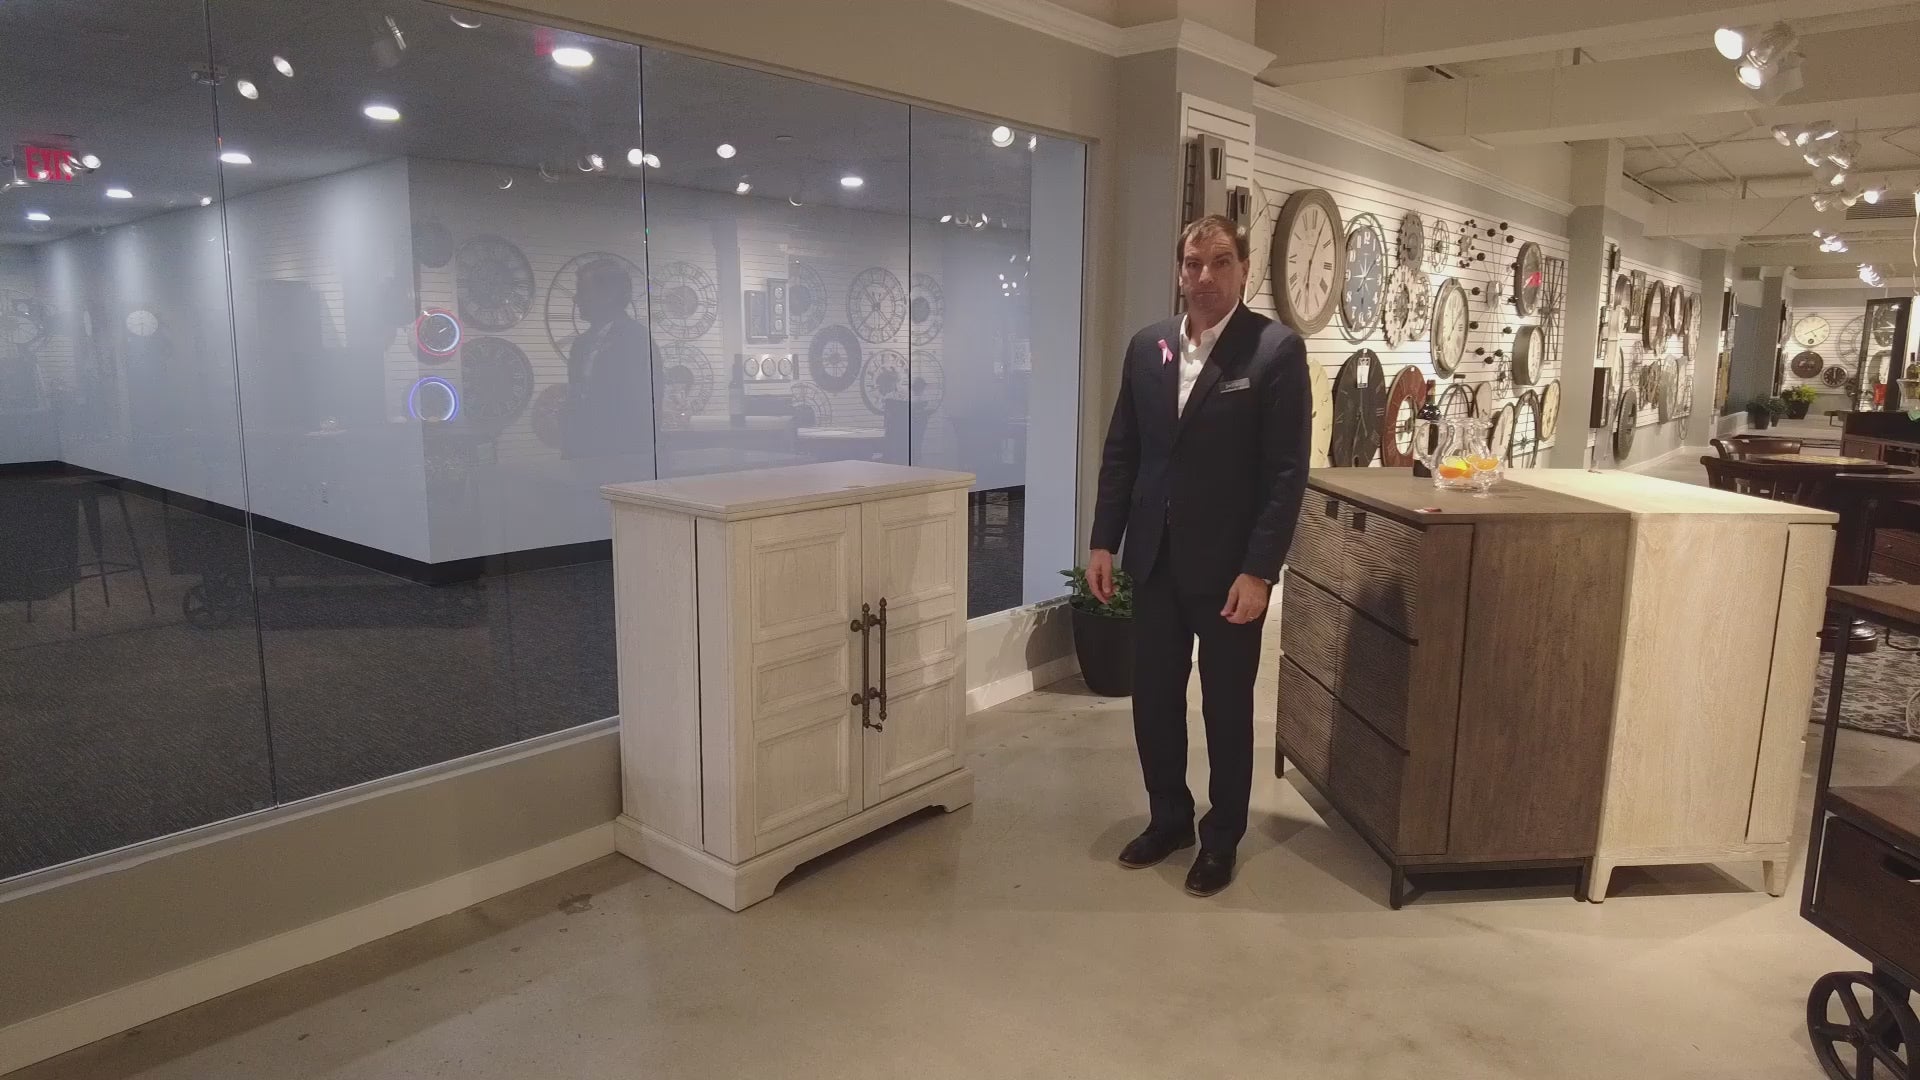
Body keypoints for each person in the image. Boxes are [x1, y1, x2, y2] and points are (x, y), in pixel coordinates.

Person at [1087, 214, 1311, 897]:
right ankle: (1169, 818)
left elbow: (1285, 474)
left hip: (1229, 573)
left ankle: (1222, 838)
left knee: (1226, 709)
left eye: (1219, 263)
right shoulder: (1147, 347)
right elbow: (1123, 450)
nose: (1204, 276)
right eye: (1193, 263)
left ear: (1243, 270)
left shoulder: (1274, 351)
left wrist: (1260, 570)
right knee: (1154, 700)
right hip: (1153, 561)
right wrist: (1104, 540)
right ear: (1180, 270)